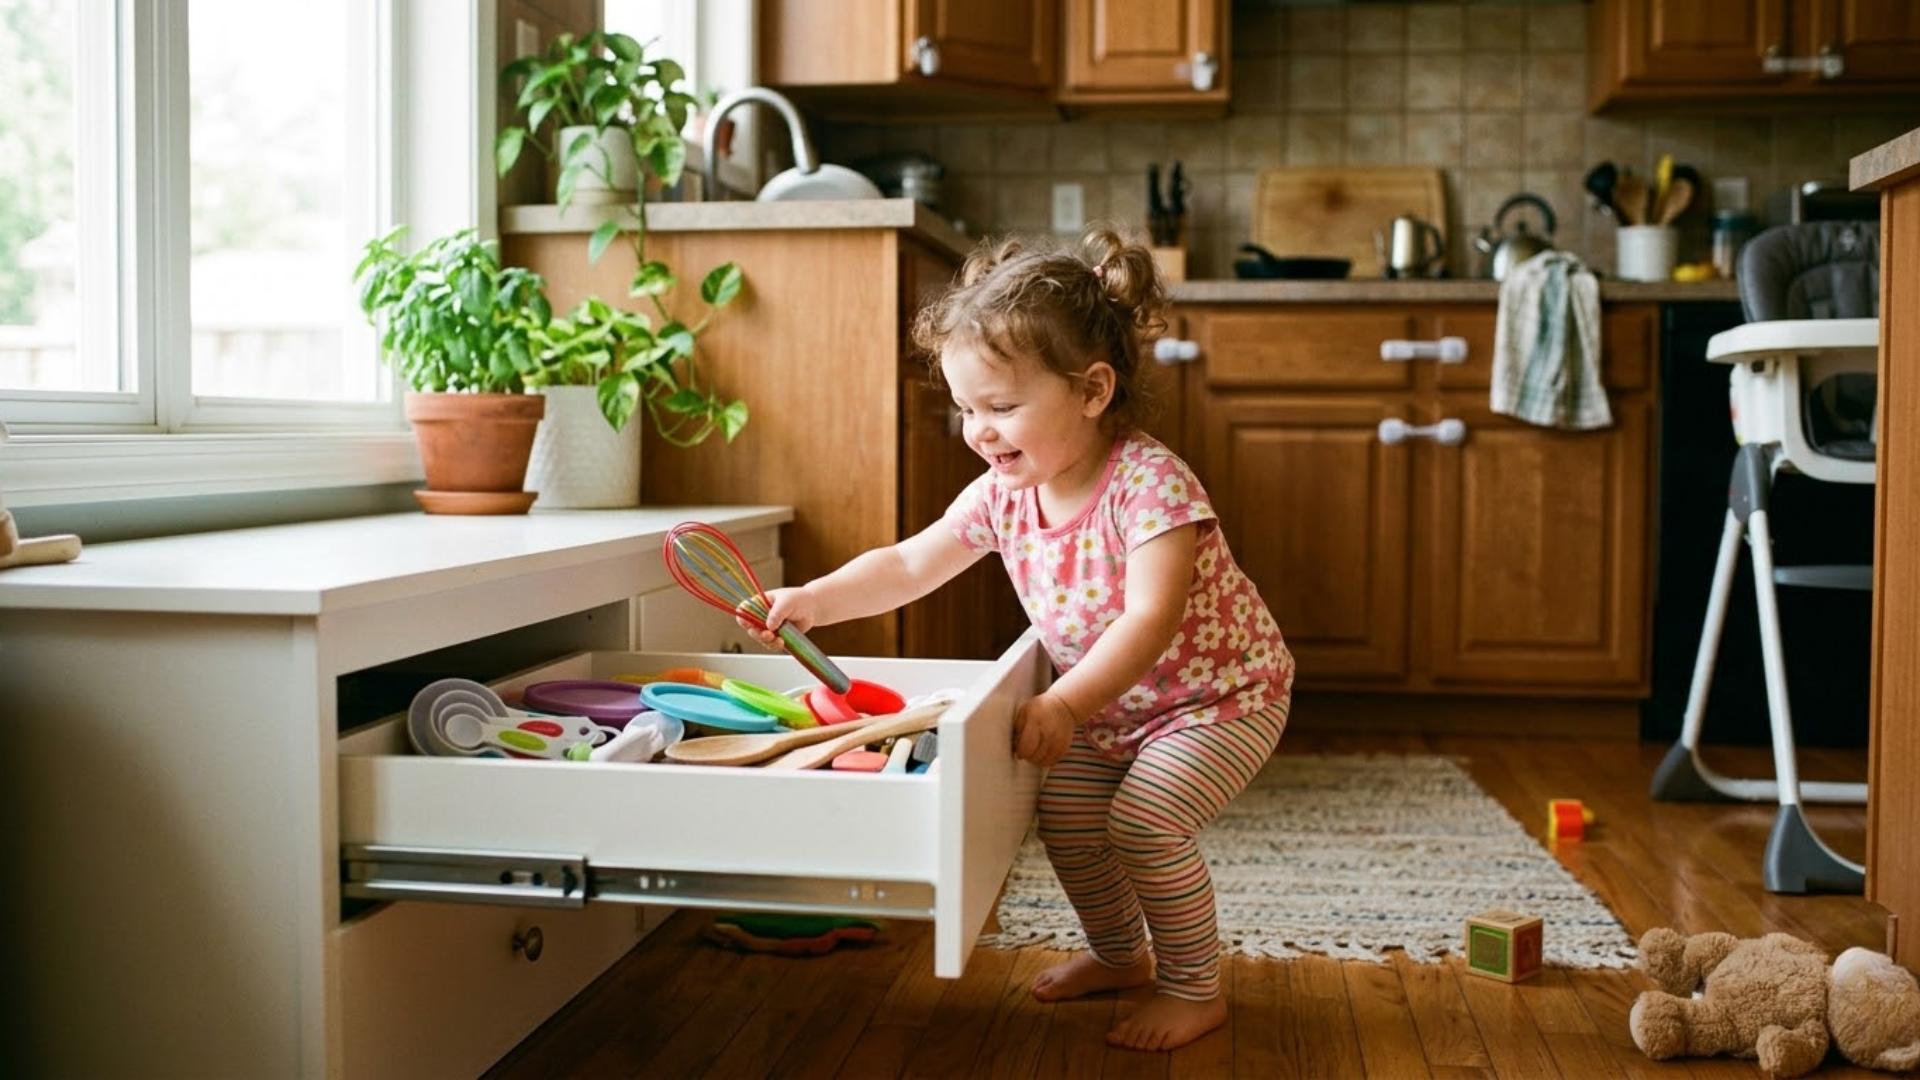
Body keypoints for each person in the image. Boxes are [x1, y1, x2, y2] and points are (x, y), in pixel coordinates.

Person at [743, 225, 1293, 1052]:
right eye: (966, 409)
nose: (980, 432)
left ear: (1093, 391)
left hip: (1218, 700)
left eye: (1002, 408)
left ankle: (1192, 986)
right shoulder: (1004, 494)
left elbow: (1150, 619)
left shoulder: (1150, 486)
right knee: (1068, 818)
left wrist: (1064, 702)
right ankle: (1119, 956)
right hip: (1109, 711)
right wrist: (815, 599)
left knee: (1145, 822)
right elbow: (906, 563)